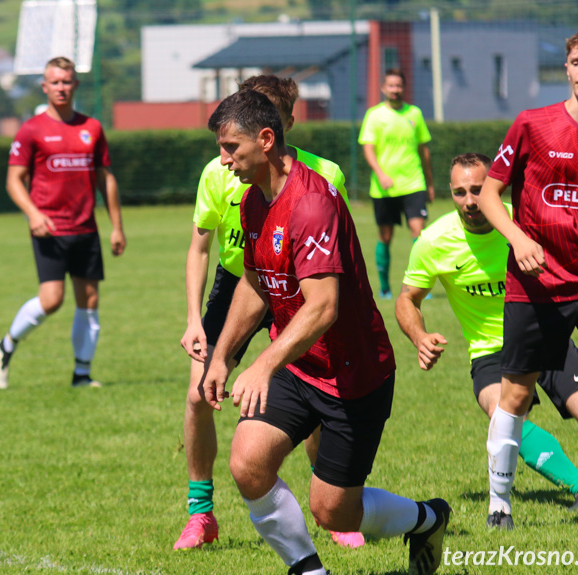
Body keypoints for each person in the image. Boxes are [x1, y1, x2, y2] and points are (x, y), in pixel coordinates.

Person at [202, 89, 450, 575]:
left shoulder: (312, 203)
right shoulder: (253, 202)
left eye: (232, 147)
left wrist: (263, 362)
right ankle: (309, 571)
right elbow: (256, 284)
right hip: (300, 366)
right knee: (247, 464)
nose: (224, 159)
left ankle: (427, 519)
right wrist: (222, 356)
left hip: (354, 375)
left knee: (334, 510)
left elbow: (324, 308)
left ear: (267, 139)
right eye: (221, 148)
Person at [174, 75, 362, 551]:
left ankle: (332, 508)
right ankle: (201, 514)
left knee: (315, 399)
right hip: (240, 287)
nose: (227, 155)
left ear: (278, 128)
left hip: (298, 292)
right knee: (200, 395)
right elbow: (199, 248)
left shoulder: (324, 177)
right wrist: (194, 319)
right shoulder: (220, 171)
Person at [395, 153, 578, 529]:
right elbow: (406, 299)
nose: (470, 201)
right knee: (503, 417)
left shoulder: (525, 220)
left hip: (546, 333)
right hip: (490, 353)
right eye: (460, 192)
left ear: (495, 186)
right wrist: (419, 335)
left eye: (478, 190)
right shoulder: (433, 241)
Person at [477, 27, 578, 529]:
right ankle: (500, 504)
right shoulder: (532, 125)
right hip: (538, 288)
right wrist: (518, 238)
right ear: (567, 67)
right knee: (515, 393)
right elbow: (490, 195)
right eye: (576, 61)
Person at [0, 56, 126, 390]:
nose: (61, 87)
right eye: (55, 82)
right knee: (51, 300)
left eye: (67, 81)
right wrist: (34, 214)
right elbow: (13, 181)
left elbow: (105, 179)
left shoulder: (91, 128)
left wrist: (117, 226)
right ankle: (6, 345)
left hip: (86, 229)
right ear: (45, 87)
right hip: (49, 228)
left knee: (89, 302)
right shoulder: (32, 130)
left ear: (75, 85)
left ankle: (82, 374)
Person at [358, 68, 434, 299]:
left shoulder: (415, 114)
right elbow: (368, 148)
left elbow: (424, 150)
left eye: (398, 85)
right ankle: (384, 287)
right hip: (384, 188)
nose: (395, 90)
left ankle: (419, 287)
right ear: (383, 88)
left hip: (413, 183)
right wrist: (380, 173)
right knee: (386, 237)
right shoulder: (374, 115)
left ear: (404, 87)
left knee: (418, 233)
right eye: (391, 85)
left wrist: (429, 183)